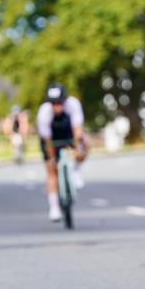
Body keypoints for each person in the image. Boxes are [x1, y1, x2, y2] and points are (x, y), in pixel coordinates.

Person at [36, 83, 88, 221]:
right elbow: (47, 140)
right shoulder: (44, 112)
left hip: (68, 133)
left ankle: (76, 170)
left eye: (59, 102)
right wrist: (52, 159)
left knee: (85, 142)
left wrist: (78, 151)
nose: (57, 106)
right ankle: (54, 207)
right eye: (53, 103)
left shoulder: (73, 105)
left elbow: (77, 130)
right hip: (51, 138)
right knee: (51, 170)